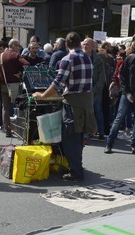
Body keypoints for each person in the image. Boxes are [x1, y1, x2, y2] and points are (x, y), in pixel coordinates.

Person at [32, 32, 96, 181]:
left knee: (70, 138)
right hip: (86, 102)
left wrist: (41, 95)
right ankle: (76, 167)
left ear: (66, 45)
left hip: (73, 103)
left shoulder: (67, 59)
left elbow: (57, 83)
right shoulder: (88, 57)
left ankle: (76, 171)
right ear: (80, 43)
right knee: (79, 138)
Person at [0, 38, 29, 138]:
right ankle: (20, 130)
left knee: (5, 108)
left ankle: (7, 131)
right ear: (14, 45)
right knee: (19, 106)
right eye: (18, 46)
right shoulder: (16, 55)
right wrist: (20, 74)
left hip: (3, 85)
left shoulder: (0, 56)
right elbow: (27, 64)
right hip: (15, 85)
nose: (19, 48)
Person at [82, 38, 105, 141]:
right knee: (86, 113)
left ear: (92, 46)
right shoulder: (79, 57)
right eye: (84, 44)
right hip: (83, 91)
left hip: (95, 91)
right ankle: (86, 133)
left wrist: (95, 90)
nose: (85, 46)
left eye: (87, 44)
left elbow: (102, 78)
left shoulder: (98, 59)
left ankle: (101, 132)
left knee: (98, 111)